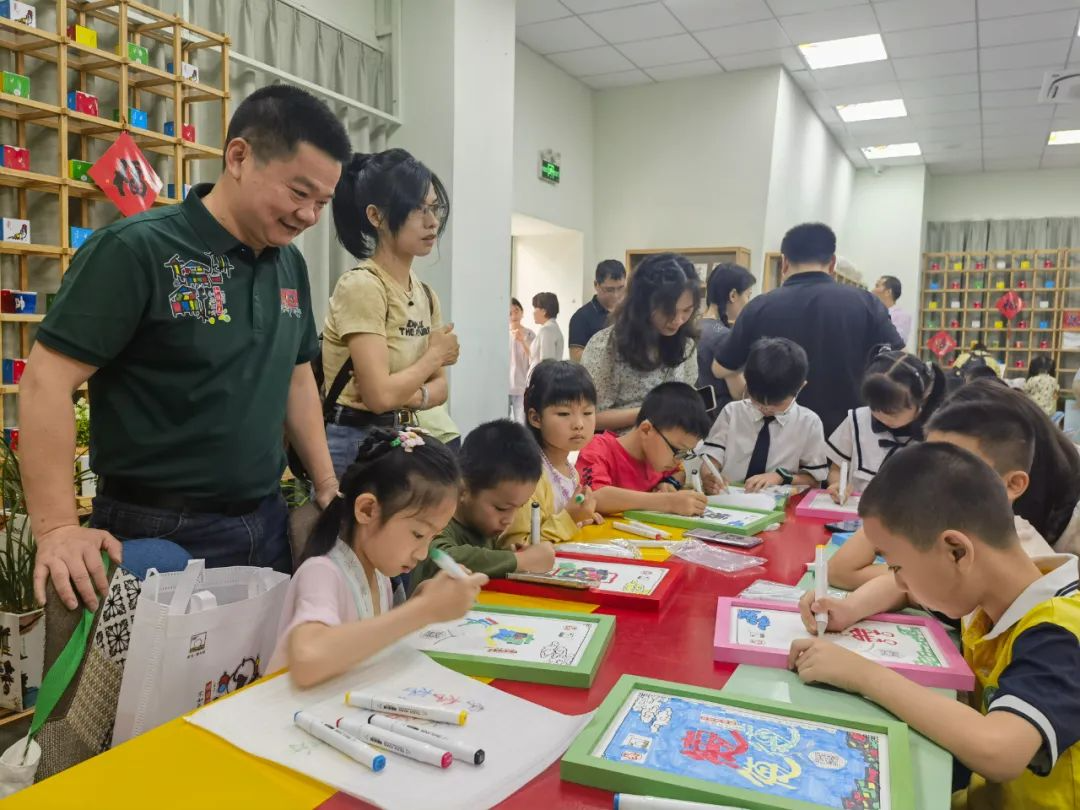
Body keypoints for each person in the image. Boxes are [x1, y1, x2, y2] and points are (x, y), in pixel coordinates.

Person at [22, 85, 352, 610]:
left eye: (322, 202)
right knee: (153, 693)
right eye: (298, 192)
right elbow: (45, 381)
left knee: (256, 686)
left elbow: (295, 377)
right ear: (239, 156)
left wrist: (327, 483)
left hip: (264, 523)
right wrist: (58, 527)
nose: (309, 215)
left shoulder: (290, 265)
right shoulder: (136, 250)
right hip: (155, 528)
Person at [790, 443, 1080, 810]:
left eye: (896, 566)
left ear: (956, 551)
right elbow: (909, 594)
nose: (897, 580)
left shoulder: (1062, 631)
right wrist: (849, 609)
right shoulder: (989, 591)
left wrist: (862, 674)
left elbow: (1001, 751)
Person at [268, 428, 486, 687]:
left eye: (433, 536)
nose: (423, 553)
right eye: (418, 534)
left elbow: (369, 638)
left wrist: (419, 602)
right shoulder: (321, 573)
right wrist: (423, 610)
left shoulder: (378, 572)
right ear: (367, 509)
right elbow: (308, 659)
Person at [825, 392, 1057, 591]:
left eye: (956, 470)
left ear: (1012, 484)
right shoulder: (944, 535)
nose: (932, 482)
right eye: (927, 465)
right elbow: (841, 571)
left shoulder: (1021, 563)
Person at [322, 148, 459, 477]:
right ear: (376, 216)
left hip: (399, 433)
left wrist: (406, 395)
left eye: (434, 207)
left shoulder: (425, 294)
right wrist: (433, 356)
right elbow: (379, 395)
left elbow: (441, 390)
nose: (432, 221)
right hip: (352, 440)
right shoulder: (363, 286)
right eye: (416, 209)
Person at [714, 223, 903, 437]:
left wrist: (747, 394)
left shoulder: (759, 306)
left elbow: (721, 367)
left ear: (784, 262)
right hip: (849, 439)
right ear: (832, 263)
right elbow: (899, 363)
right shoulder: (866, 302)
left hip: (778, 438)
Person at [410, 420, 556, 591]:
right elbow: (439, 556)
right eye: (501, 508)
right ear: (464, 489)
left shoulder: (482, 525)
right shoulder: (439, 519)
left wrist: (506, 555)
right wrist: (520, 561)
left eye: (519, 507)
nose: (509, 520)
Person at [582, 253, 700, 433]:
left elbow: (687, 391)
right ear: (642, 304)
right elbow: (588, 417)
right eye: (667, 311)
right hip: (619, 453)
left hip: (670, 451)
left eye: (687, 310)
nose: (677, 320)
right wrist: (653, 411)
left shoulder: (686, 343)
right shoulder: (606, 346)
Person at [702, 338, 828, 492]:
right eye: (757, 401)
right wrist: (709, 477)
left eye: (776, 404)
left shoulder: (809, 423)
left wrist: (781, 477)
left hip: (779, 506)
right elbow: (711, 459)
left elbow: (814, 480)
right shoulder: (732, 412)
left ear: (801, 387)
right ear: (746, 381)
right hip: (730, 498)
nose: (766, 408)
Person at [577, 382, 713, 516]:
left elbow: (678, 474)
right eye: (678, 450)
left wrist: (667, 483)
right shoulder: (597, 448)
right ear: (646, 430)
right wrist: (668, 502)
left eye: (685, 454)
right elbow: (594, 496)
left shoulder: (658, 460)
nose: (678, 460)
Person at [825, 349, 946, 500]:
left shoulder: (936, 436)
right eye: (875, 408)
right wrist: (838, 485)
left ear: (923, 400)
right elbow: (836, 469)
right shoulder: (857, 420)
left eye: (892, 413)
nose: (882, 417)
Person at [505, 361, 602, 545]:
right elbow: (518, 546)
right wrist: (570, 519)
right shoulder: (528, 476)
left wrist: (582, 517)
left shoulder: (569, 469)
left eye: (587, 412)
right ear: (535, 418)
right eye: (564, 414)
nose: (579, 424)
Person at [697, 263, 755, 413]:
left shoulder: (695, 326)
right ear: (733, 295)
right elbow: (739, 394)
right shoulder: (723, 336)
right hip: (720, 418)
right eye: (748, 295)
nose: (749, 302)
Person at [567, 259, 626, 362]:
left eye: (621, 288)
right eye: (609, 290)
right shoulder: (581, 317)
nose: (616, 295)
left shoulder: (630, 312)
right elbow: (576, 357)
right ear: (596, 285)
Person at [508, 298, 535, 423]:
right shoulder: (501, 333)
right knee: (503, 421)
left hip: (522, 384)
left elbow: (534, 356)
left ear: (522, 312)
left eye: (517, 310)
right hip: (504, 385)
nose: (514, 315)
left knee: (521, 421)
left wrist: (522, 340)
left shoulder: (529, 334)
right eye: (510, 312)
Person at [529, 292, 564, 374]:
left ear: (544, 311)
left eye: (535, 308)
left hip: (541, 383)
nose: (533, 312)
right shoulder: (552, 328)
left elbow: (546, 365)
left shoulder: (547, 330)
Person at [872, 275, 912, 346]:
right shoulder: (872, 311)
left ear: (888, 292)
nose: (873, 290)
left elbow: (897, 342)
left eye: (877, 286)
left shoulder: (902, 316)